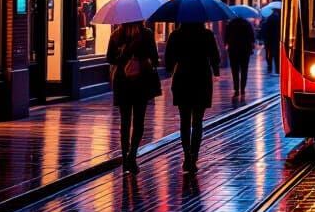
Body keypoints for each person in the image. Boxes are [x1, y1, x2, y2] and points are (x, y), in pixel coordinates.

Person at [164, 21, 220, 173]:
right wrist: (216, 71)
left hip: (182, 79)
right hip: (201, 80)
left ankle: (187, 154)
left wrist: (172, 67)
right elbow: (215, 56)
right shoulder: (207, 35)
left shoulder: (175, 35)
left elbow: (168, 61)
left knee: (184, 120)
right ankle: (194, 156)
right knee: (197, 122)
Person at [106, 21, 161, 174]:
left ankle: (125, 160)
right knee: (138, 122)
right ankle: (132, 157)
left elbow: (110, 58)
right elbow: (155, 59)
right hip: (141, 83)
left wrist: (123, 55)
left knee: (124, 122)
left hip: (122, 82)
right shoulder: (147, 34)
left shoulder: (116, 35)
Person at [224, 14, 255, 99]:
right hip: (245, 50)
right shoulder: (247, 24)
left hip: (233, 50)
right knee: (244, 70)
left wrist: (226, 44)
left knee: (235, 70)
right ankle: (242, 88)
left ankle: (236, 89)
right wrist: (251, 45)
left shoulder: (231, 24)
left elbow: (226, 37)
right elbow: (252, 37)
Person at [262, 7, 281, 74]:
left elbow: (266, 30)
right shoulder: (279, 19)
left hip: (269, 39)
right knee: (276, 55)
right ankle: (277, 69)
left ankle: (270, 66)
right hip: (277, 39)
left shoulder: (269, 19)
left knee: (269, 53)